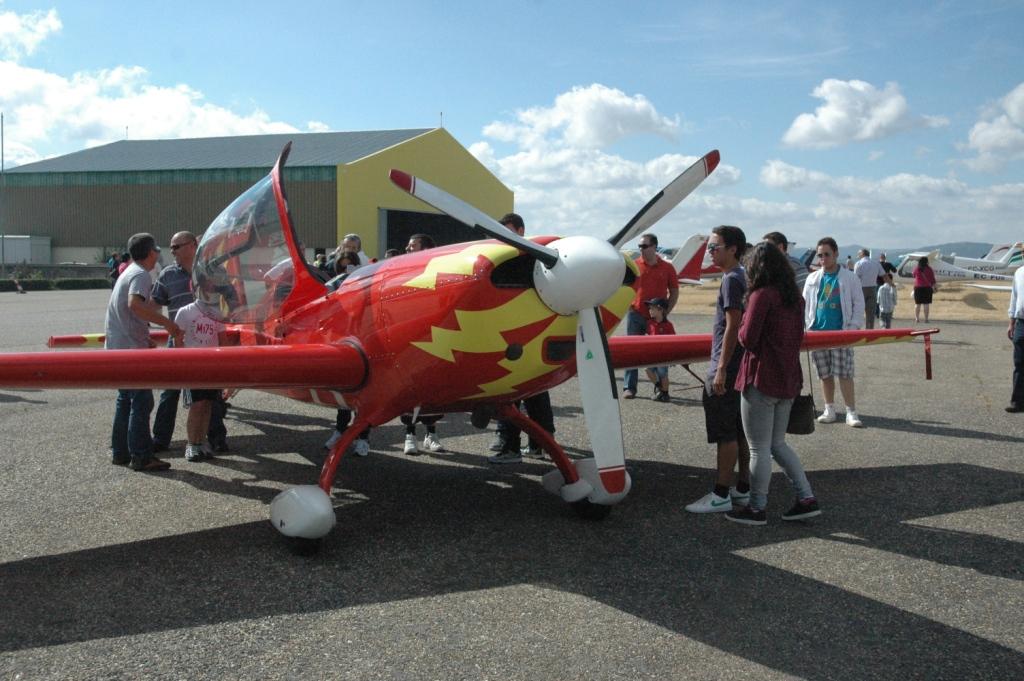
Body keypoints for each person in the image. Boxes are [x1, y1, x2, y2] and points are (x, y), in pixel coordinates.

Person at [725, 242, 821, 526]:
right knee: (778, 444)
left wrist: (742, 322)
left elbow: (747, 339)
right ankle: (806, 497)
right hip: (788, 378)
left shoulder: (761, 295)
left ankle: (757, 508)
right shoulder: (795, 298)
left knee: (758, 448)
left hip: (761, 378)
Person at [685, 225, 751, 514]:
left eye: (715, 247)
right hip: (739, 366)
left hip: (727, 367)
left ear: (733, 249)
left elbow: (733, 326)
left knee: (726, 432)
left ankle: (721, 493)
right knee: (739, 429)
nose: (710, 252)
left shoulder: (730, 280)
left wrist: (721, 368)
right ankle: (743, 489)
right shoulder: (741, 276)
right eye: (709, 247)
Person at [105, 233, 182, 472]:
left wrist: (144, 336)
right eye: (157, 250)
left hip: (120, 346)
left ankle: (121, 452)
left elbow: (128, 313)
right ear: (151, 253)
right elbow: (135, 305)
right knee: (142, 400)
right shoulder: (140, 274)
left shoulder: (128, 271)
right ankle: (141, 455)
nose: (158, 254)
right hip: (129, 351)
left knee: (125, 400)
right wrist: (167, 324)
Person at [151, 231, 230, 453]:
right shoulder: (167, 275)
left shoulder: (215, 273)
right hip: (178, 341)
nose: (172, 251)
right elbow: (154, 305)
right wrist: (165, 326)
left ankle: (215, 437)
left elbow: (231, 300)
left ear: (193, 246)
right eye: (172, 247)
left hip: (208, 341)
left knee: (210, 394)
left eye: (177, 246)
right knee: (170, 391)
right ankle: (161, 439)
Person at [489, 213, 555, 464]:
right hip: (512, 336)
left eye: (506, 231)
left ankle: (513, 447)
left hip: (526, 339)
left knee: (512, 392)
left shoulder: (531, 258)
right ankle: (538, 444)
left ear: (520, 230)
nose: (501, 237)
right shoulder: (511, 258)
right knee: (532, 392)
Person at [803, 237, 865, 428]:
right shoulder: (812, 278)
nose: (823, 258)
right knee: (824, 374)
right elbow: (804, 304)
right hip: (817, 333)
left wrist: (853, 328)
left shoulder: (850, 277)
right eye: (820, 255)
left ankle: (851, 412)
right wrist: (805, 327)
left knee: (845, 373)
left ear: (836, 254)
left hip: (841, 333)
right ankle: (829, 409)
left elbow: (858, 303)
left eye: (827, 254)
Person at [400, 233, 445, 454]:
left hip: (434, 337)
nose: (408, 249)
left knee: (433, 389)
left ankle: (431, 435)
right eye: (408, 246)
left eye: (413, 245)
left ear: (426, 247)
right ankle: (409, 436)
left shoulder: (439, 269)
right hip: (410, 338)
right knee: (409, 389)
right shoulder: (402, 271)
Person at [173, 294, 232, 461]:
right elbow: (177, 339)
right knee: (197, 406)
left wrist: (228, 366)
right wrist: (180, 363)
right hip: (193, 367)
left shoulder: (217, 314)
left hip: (212, 367)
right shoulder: (185, 312)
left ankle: (201, 442)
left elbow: (223, 341)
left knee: (207, 405)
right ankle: (191, 444)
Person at [623, 233, 679, 399]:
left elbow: (674, 291)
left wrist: (666, 311)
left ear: (654, 247)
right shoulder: (634, 266)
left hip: (657, 319)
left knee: (658, 353)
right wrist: (628, 306)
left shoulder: (667, 268)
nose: (641, 249)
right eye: (639, 246)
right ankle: (629, 388)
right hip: (636, 314)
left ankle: (661, 387)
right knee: (632, 352)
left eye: (644, 246)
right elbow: (624, 288)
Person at [643, 297, 676, 402]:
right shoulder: (650, 323)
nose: (649, 311)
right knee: (647, 370)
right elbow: (648, 336)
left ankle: (665, 394)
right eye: (649, 308)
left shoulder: (668, 325)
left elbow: (674, 340)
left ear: (660, 310)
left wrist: (673, 356)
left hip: (663, 355)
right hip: (652, 354)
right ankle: (659, 388)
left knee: (663, 374)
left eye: (652, 308)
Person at [1006, 264, 1024, 413]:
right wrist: (1011, 322)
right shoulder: (1019, 272)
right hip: (1021, 323)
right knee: (1019, 364)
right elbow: (1014, 296)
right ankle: (1017, 402)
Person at [854, 248, 886, 329]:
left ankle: (856, 330)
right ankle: (869, 331)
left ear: (862, 254)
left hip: (861, 289)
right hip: (873, 288)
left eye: (859, 254)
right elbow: (884, 275)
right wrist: (891, 284)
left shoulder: (859, 263)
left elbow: (855, 278)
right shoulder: (876, 263)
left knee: (858, 311)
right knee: (870, 313)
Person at [912, 256, 937, 324]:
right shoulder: (929, 269)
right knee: (926, 304)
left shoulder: (917, 268)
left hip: (918, 287)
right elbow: (932, 279)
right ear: (927, 262)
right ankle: (926, 319)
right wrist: (935, 286)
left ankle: (917, 318)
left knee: (917, 304)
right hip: (927, 288)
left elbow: (913, 275)